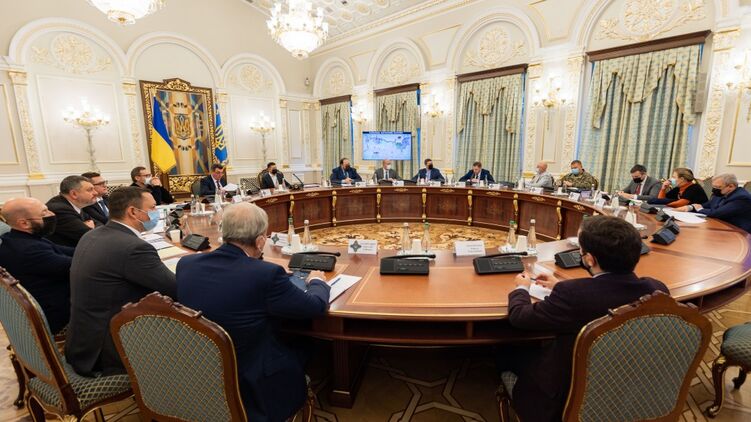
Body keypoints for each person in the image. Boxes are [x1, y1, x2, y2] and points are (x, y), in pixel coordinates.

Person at [500, 216, 669, 421]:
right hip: (634, 389)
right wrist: (560, 285)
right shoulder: (657, 289)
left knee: (508, 352)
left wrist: (521, 289)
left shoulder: (573, 296)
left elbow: (519, 317)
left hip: (566, 399)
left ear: (589, 259)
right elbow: (603, 293)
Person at [177, 202, 330, 422]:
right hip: (252, 384)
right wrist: (317, 281)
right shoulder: (266, 274)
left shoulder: (187, 264)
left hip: (199, 373)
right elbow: (314, 306)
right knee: (307, 344)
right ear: (259, 241)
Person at [65, 187, 177, 376]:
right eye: (152, 208)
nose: (155, 212)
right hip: (110, 349)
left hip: (83, 341)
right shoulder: (134, 247)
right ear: (133, 212)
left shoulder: (93, 234)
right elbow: (174, 289)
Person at [0, 198, 73, 334]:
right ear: (24, 223)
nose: (52, 214)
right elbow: (77, 267)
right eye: (44, 213)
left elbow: (67, 251)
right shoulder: (30, 251)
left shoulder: (17, 238)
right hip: (58, 318)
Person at [675, 173, 751, 232]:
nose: (714, 190)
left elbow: (717, 213)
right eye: (714, 187)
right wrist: (690, 207)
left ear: (731, 186)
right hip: (720, 226)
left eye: (718, 187)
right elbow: (708, 205)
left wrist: (699, 209)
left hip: (738, 231)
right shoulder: (721, 193)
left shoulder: (741, 197)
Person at [45, 175, 97, 247]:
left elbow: (97, 223)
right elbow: (89, 236)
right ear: (74, 194)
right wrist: (90, 228)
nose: (95, 193)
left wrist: (91, 228)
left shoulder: (76, 204)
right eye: (90, 190)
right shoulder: (59, 210)